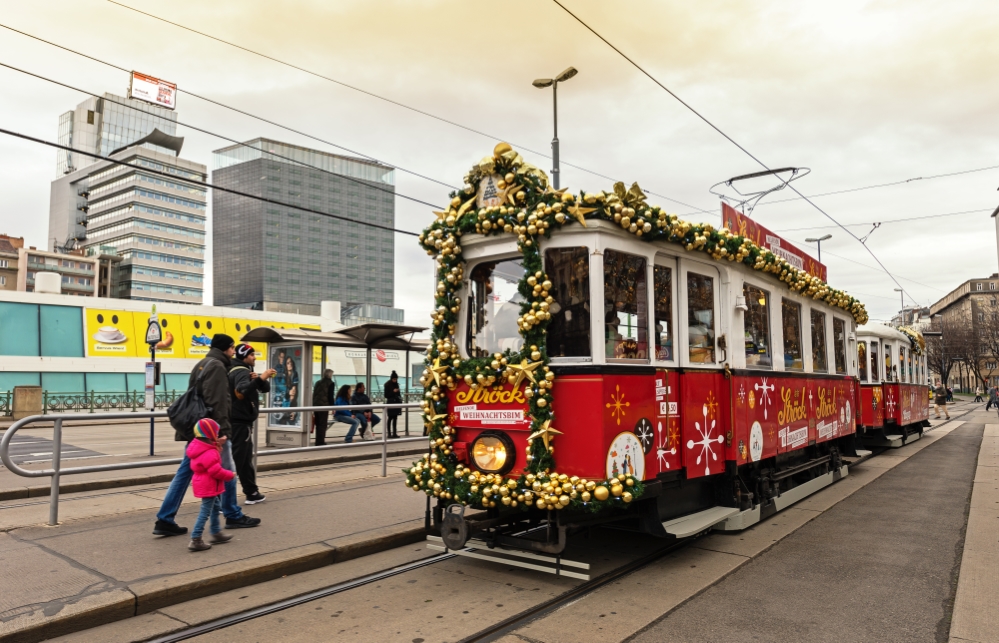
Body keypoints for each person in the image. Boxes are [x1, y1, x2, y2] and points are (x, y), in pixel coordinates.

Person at [153, 333, 260, 537]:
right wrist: (224, 433)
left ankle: (165, 518)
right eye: (231, 348)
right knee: (228, 472)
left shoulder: (203, 363)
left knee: (184, 473)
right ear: (225, 349)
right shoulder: (218, 367)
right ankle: (232, 514)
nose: (232, 352)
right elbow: (218, 402)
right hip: (212, 433)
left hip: (198, 431)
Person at [229, 344, 276, 505]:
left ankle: (251, 492)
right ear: (244, 356)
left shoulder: (242, 370)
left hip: (240, 422)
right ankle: (224, 498)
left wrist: (259, 379)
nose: (254, 357)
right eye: (251, 355)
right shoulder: (241, 371)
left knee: (244, 458)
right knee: (238, 459)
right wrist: (262, 377)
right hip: (239, 422)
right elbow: (242, 390)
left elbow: (266, 389)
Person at [186, 418, 235, 552]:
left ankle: (216, 532)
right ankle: (196, 538)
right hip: (209, 485)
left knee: (215, 507)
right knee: (205, 512)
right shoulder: (209, 452)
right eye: (216, 433)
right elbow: (215, 470)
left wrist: (216, 445)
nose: (218, 435)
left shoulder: (200, 447)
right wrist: (230, 475)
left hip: (205, 484)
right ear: (210, 434)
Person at [313, 369, 335, 446]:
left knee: (318, 423)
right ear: (330, 375)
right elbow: (330, 396)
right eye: (332, 374)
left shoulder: (317, 382)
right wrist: (333, 407)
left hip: (316, 405)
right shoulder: (330, 383)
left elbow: (314, 394)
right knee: (323, 424)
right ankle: (321, 441)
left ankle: (317, 441)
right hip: (324, 406)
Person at [384, 371, 402, 439]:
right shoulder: (387, 385)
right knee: (390, 418)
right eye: (394, 379)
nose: (395, 380)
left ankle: (394, 433)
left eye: (396, 379)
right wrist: (393, 392)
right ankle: (389, 433)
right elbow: (386, 395)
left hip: (396, 402)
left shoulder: (396, 384)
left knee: (395, 418)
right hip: (390, 402)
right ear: (391, 379)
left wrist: (397, 392)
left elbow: (398, 394)